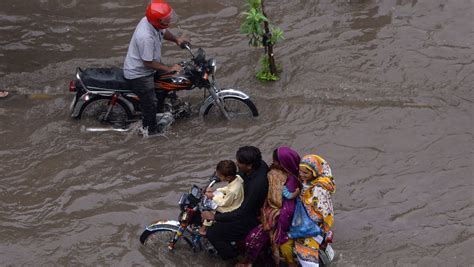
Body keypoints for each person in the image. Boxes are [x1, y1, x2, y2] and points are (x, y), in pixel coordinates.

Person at [123, 0, 186, 135]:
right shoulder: (145, 37)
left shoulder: (151, 22)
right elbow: (148, 63)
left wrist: (176, 39)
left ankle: (161, 107)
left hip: (149, 65)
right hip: (140, 73)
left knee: (167, 82)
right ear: (157, 21)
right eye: (166, 20)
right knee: (150, 103)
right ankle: (150, 130)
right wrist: (169, 68)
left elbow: (163, 31)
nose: (169, 20)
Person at [201, 146, 269, 262]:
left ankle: (238, 258)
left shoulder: (256, 185)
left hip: (251, 217)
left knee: (213, 233)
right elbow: (238, 175)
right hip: (244, 202)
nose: (237, 163)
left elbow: (242, 212)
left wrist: (215, 217)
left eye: (239, 162)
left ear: (249, 165)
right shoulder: (259, 164)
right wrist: (218, 178)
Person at [243, 147, 301, 266]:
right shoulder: (298, 174)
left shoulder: (289, 182)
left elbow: (287, 210)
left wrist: (280, 231)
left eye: (275, 161)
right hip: (292, 217)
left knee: (251, 241)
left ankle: (249, 262)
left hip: (281, 221)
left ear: (282, 164)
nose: (273, 163)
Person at [293, 154, 336, 267]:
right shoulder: (304, 182)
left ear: (314, 172)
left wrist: (324, 229)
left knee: (307, 251)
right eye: (300, 171)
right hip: (305, 221)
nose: (302, 175)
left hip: (313, 225)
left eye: (305, 173)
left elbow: (326, 212)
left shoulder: (319, 190)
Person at [199, 160, 244, 236]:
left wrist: (212, 196)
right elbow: (227, 188)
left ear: (228, 177)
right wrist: (216, 190)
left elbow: (225, 203)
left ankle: (204, 228)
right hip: (236, 200)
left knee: (211, 207)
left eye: (220, 176)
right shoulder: (238, 178)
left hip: (232, 208)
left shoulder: (233, 191)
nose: (219, 177)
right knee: (216, 197)